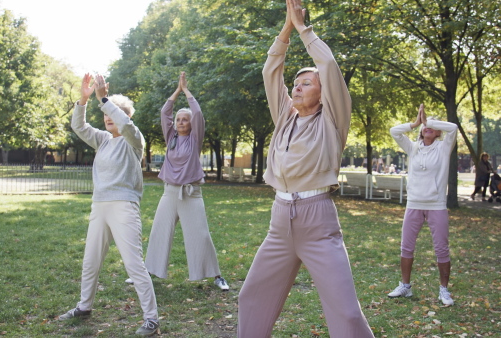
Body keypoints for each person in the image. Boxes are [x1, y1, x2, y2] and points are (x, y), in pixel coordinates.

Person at [237, 0, 374, 336]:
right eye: (296, 84)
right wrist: (285, 30)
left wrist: (303, 29)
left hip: (318, 221)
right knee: (250, 297)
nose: (297, 87)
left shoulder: (333, 120)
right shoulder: (285, 117)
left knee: (346, 313)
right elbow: (271, 72)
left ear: (324, 93)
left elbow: (327, 64)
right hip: (280, 219)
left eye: (307, 83)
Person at [59, 73, 159, 336]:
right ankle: (84, 306)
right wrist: (83, 99)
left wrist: (104, 98)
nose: (107, 117)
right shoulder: (103, 140)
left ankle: (151, 319)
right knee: (90, 260)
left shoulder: (133, 140)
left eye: (112, 113)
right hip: (99, 205)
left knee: (133, 263)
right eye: (104, 114)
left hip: (124, 206)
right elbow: (79, 127)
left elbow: (125, 124)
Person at [141, 72, 229, 291]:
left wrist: (187, 91)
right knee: (159, 231)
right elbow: (164, 112)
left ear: (191, 124)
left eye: (185, 119)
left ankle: (216, 276)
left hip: (191, 194)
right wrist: (176, 91)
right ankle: (147, 273)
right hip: (170, 192)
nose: (180, 122)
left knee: (200, 235)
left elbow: (198, 113)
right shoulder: (170, 137)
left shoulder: (195, 139)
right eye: (178, 119)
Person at [388, 104, 458, 306]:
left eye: (432, 125)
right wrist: (415, 123)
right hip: (414, 204)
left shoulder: (444, 147)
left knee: (441, 249)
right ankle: (405, 286)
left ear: (438, 131)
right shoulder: (413, 147)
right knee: (406, 247)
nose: (428, 127)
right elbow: (394, 131)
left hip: (436, 205)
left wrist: (429, 122)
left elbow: (453, 127)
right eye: (425, 125)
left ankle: (444, 290)